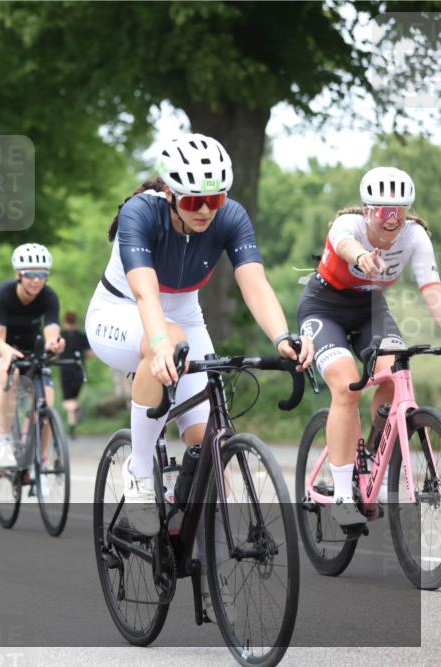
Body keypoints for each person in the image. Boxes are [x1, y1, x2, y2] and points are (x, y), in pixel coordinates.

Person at [85, 133, 314, 538]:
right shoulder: (140, 214)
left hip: (186, 316)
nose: (206, 210)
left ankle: (210, 560)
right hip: (121, 311)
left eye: (216, 199)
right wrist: (158, 345)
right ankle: (139, 474)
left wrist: (282, 337)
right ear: (171, 193)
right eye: (193, 201)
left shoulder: (230, 217)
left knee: (206, 445)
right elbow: (144, 292)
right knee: (169, 340)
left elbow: (254, 284)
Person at [297, 166, 440, 526]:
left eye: (398, 212)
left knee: (394, 376)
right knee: (347, 387)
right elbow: (346, 246)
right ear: (366, 209)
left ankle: (372, 453)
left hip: (370, 310)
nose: (391, 219)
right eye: (382, 210)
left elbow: (433, 292)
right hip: (324, 307)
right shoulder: (349, 226)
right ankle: (343, 493)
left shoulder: (415, 236)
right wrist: (362, 257)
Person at [0, 243, 66, 469]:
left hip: (29, 347)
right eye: (30, 275)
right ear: (19, 274)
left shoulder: (49, 296)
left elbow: (51, 331)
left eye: (42, 275)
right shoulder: (3, 294)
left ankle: (40, 459)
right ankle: (4, 442)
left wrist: (54, 344)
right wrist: (8, 351)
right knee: (11, 374)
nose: (36, 280)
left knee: (47, 405)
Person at [59, 311, 92, 438]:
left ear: (65, 321)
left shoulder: (60, 336)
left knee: (68, 401)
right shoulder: (81, 336)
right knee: (74, 399)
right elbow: (90, 353)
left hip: (65, 370)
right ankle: (74, 413)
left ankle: (72, 422)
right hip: (79, 370)